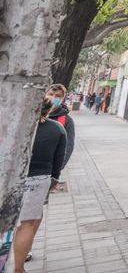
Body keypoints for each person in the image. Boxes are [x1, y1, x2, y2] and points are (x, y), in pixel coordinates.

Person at [11, 98, 66, 273]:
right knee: (27, 225)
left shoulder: (12, 124)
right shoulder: (57, 129)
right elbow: (59, 159)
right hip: (38, 180)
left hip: (10, 177)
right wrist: (54, 180)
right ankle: (18, 269)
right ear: (49, 110)